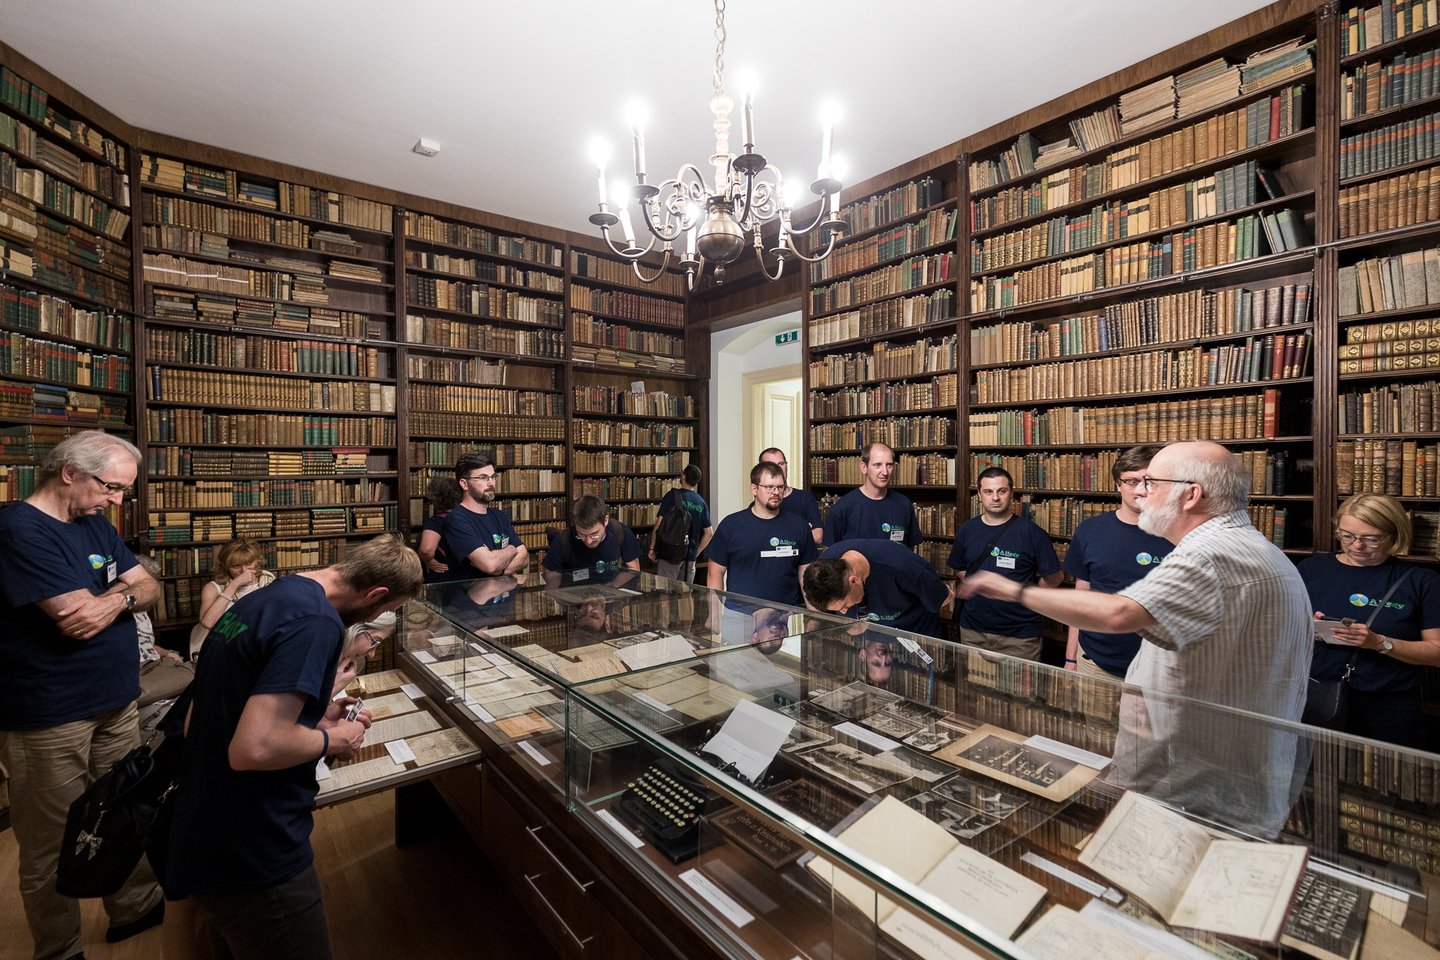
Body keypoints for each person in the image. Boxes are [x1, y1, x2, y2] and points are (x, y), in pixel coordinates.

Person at [957, 440, 1313, 837]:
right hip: (1221, 773)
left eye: (1152, 483)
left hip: (1200, 785)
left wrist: (1013, 590)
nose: (1141, 493)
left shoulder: (1210, 554)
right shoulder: (1256, 548)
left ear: (1191, 495)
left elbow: (1119, 613)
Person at [165, 534, 423, 960]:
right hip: (255, 842)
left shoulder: (269, 596)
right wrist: (334, 737)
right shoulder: (317, 622)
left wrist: (312, 718)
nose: (378, 618)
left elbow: (205, 716)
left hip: (204, 824)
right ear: (376, 594)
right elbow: (254, 748)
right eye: (385, 609)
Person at [0, 429, 166, 959]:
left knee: (123, 811)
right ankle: (61, 948)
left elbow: (150, 585)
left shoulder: (93, 523)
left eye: (123, 491)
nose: (116, 501)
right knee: (50, 843)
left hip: (117, 699)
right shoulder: (18, 528)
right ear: (69, 472)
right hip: (50, 713)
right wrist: (123, 593)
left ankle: (135, 907)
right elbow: (75, 619)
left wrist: (114, 600)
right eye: (111, 487)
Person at [1300, 493, 1440, 751]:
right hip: (1317, 694)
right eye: (1347, 536)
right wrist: (1306, 628)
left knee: (1392, 774)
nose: (1357, 546)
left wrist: (1379, 643)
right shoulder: (1311, 569)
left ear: (1394, 535)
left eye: (1371, 539)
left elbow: (1436, 653)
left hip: (1389, 706)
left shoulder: (1422, 581)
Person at [1063, 445, 1171, 678]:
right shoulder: (1090, 531)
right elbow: (1080, 601)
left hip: (1160, 668)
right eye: (1132, 481)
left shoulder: (1179, 532)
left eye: (1149, 481)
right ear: (1117, 485)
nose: (1141, 489)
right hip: (1096, 662)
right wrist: (1071, 658)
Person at [948, 466, 1063, 661]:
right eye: (988, 491)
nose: (995, 497)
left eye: (1001, 491)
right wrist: (981, 585)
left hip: (1019, 635)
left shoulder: (1032, 533)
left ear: (1011, 494)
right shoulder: (967, 530)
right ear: (979, 495)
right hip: (973, 630)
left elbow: (1055, 576)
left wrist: (1026, 595)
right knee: (974, 681)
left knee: (1020, 683)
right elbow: (958, 566)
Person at [706, 461, 818, 607]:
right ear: (754, 489)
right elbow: (715, 572)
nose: (776, 492)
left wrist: (815, 616)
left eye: (780, 487)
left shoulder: (799, 526)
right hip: (740, 614)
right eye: (770, 487)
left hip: (786, 614)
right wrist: (715, 615)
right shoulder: (731, 525)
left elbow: (807, 577)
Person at [803, 538, 953, 640]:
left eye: (844, 605)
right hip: (872, 638)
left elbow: (946, 597)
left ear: (854, 581)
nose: (843, 612)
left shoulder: (903, 567)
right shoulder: (826, 566)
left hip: (914, 635)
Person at [440, 452, 530, 579]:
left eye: (493, 477)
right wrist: (512, 549)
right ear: (464, 484)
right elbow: (490, 565)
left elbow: (524, 558)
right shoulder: (456, 520)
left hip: (503, 590)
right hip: (471, 591)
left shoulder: (499, 516)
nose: (491, 483)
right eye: (483, 478)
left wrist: (499, 569)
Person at [134, 556, 195, 738]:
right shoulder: (115, 610)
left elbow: (145, 643)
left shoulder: (141, 609)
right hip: (140, 671)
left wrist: (168, 652)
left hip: (156, 664)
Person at [822, 442, 920, 547]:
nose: (885, 472)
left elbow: (909, 551)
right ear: (864, 467)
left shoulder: (904, 504)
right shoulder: (841, 509)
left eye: (889, 465)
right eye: (877, 465)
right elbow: (829, 553)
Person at [191, 537, 276, 658]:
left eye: (248, 564)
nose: (243, 570)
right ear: (225, 566)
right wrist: (234, 584)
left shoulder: (270, 583)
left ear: (257, 562)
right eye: (236, 566)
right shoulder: (213, 588)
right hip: (225, 649)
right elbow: (208, 623)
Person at [542, 494, 642, 586]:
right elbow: (551, 578)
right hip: (574, 592)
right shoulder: (563, 540)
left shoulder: (620, 532)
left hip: (610, 591)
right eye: (582, 534)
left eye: (594, 534)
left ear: (605, 520)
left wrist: (611, 587)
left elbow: (633, 569)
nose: (589, 541)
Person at [649, 464, 713, 582]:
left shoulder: (671, 496)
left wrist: (652, 548)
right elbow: (709, 533)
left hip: (670, 554)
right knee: (685, 593)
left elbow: (659, 524)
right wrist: (695, 552)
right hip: (690, 558)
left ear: (683, 476)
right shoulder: (701, 502)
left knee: (665, 591)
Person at [758, 447, 823, 545]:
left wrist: (783, 544)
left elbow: (818, 536)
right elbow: (759, 540)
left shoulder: (805, 498)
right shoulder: (759, 503)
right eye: (771, 465)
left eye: (781, 464)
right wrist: (802, 535)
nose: (778, 469)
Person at [418, 475, 463, 583]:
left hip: (445, 577)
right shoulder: (467, 518)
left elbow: (426, 550)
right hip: (469, 576)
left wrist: (428, 561)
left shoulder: (436, 522)